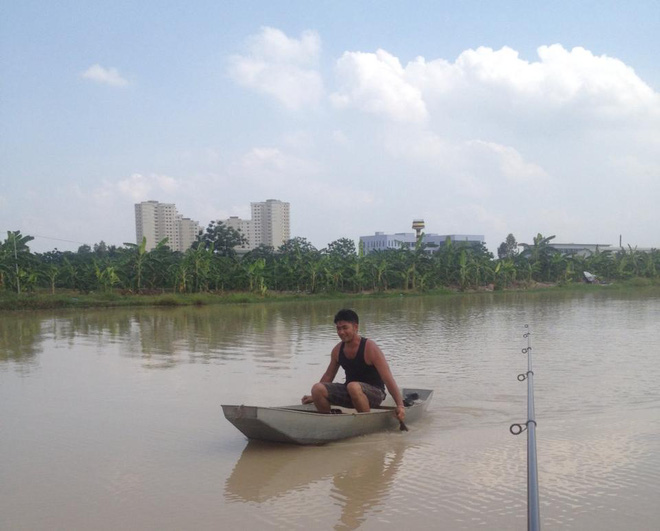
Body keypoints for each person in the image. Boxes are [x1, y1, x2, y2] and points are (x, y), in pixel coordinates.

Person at [301, 309, 406, 422]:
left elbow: (387, 378)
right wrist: (314, 397)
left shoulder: (370, 348)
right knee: (317, 388)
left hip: (375, 393)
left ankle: (366, 423)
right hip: (351, 391)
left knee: (353, 387)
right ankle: (330, 422)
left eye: (345, 328)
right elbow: (328, 376)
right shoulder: (337, 350)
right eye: (338, 328)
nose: (341, 332)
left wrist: (400, 405)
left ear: (355, 327)